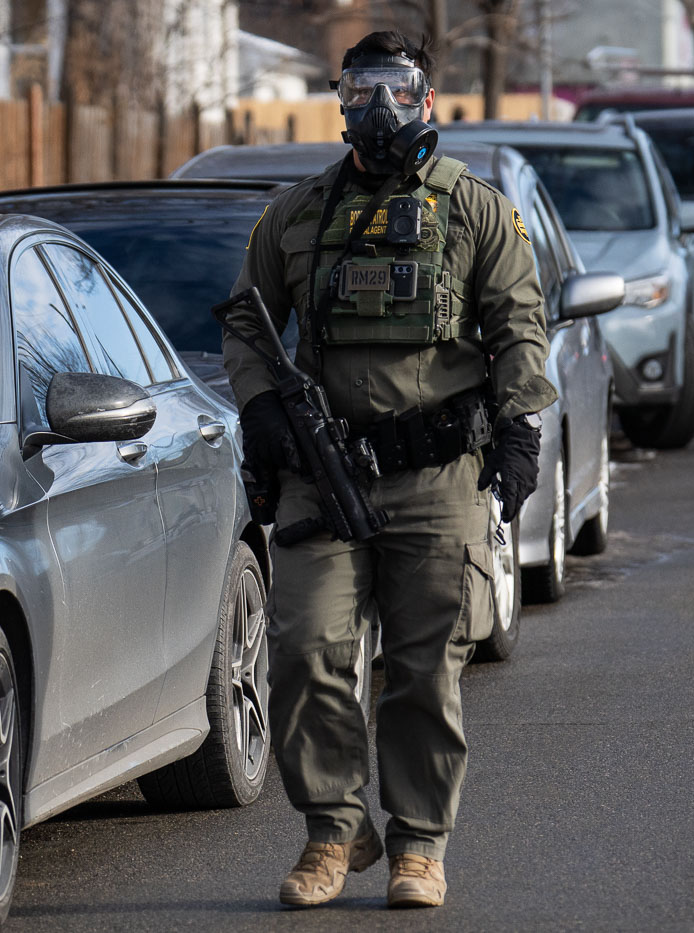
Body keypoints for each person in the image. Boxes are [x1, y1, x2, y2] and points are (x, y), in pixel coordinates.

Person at [221, 30, 555, 910]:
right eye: (362, 90)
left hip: (438, 474)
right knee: (307, 651)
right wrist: (259, 410)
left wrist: (520, 430)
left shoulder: (476, 209)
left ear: (428, 102)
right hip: (320, 476)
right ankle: (333, 831)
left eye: (398, 91)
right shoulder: (295, 216)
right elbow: (247, 326)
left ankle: (418, 844)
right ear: (339, 99)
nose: (380, 110)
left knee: (423, 667)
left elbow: (519, 320)